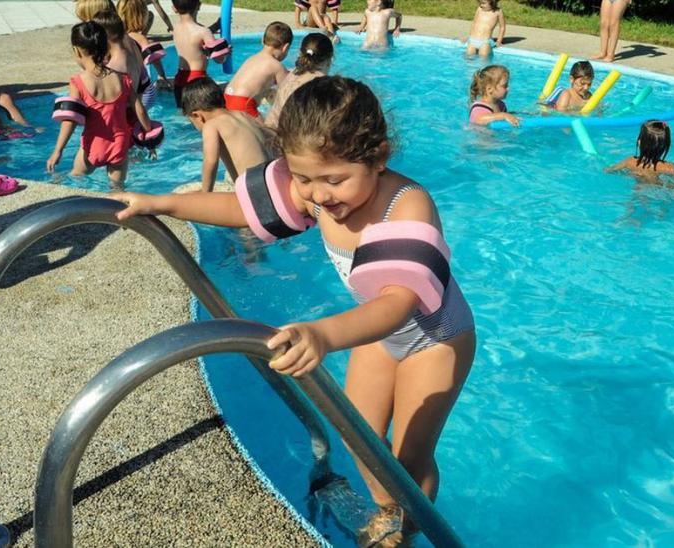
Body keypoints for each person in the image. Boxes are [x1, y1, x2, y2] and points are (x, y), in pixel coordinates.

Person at [111, 76, 475, 547]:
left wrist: (322, 335)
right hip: (378, 333)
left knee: (409, 457)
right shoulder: (316, 190)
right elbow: (241, 210)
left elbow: (397, 304)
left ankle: (403, 530)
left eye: (334, 180)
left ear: (379, 156)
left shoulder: (406, 207)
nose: (318, 195)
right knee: (356, 436)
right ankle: (389, 513)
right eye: (303, 179)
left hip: (436, 338)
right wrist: (162, 203)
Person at [46, 21, 135, 188]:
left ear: (77, 51)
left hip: (95, 144)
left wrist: (58, 150)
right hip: (120, 142)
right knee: (117, 188)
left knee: (75, 178)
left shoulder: (78, 82)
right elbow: (138, 110)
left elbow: (70, 119)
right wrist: (147, 137)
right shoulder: (123, 79)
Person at [180, 78, 278, 192]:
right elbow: (270, 134)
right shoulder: (241, 115)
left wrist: (205, 193)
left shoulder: (211, 125)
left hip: (255, 189)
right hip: (272, 181)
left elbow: (210, 161)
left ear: (197, 116)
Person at [224, 21, 292, 117]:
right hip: (244, 103)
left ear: (262, 40)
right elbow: (289, 91)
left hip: (227, 98)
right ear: (285, 47)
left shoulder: (252, 59)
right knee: (267, 131)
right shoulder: (277, 66)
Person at [266, 33, 333, 128]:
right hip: (292, 137)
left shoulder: (292, 73)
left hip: (269, 130)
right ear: (330, 59)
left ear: (300, 53)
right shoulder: (325, 84)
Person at [170, 0, 230, 106]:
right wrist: (226, 53)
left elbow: (193, 37)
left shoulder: (175, 28)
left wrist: (216, 26)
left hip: (179, 80)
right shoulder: (204, 32)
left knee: (185, 114)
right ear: (199, 5)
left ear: (174, 8)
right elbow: (218, 60)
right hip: (198, 82)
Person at [117, 0, 172, 90]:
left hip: (121, 84)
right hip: (138, 85)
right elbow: (155, 58)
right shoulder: (142, 39)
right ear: (142, 17)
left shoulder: (115, 37)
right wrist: (162, 76)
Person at [605, 120, 674, 182]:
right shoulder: (668, 167)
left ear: (639, 142)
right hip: (659, 191)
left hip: (639, 191)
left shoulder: (630, 162)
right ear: (666, 145)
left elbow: (609, 171)